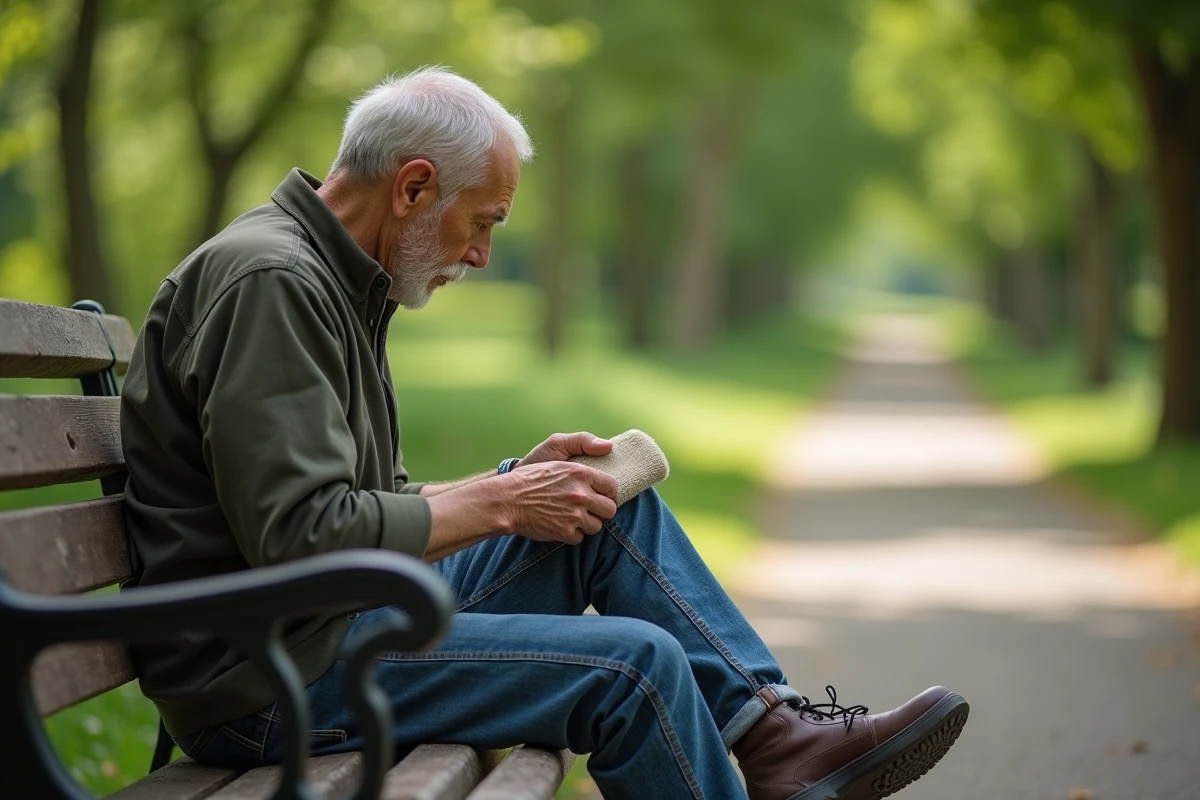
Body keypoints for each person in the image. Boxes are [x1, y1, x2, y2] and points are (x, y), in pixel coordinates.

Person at [120, 66, 968, 800]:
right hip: (267, 684)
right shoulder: (273, 282)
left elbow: (348, 510)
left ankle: (774, 736)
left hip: (325, 629)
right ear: (413, 187)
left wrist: (518, 486)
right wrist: (497, 502)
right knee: (635, 667)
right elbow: (303, 536)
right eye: (483, 221)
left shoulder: (332, 279)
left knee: (604, 504)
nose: (483, 254)